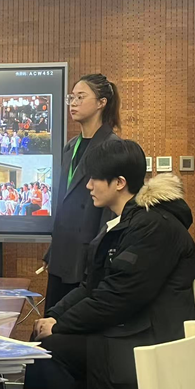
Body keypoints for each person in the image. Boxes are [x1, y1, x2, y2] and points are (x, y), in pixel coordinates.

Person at [24, 140, 195, 389]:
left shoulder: (154, 227)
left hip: (149, 341)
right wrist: (54, 316)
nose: (88, 185)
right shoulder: (124, 223)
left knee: (47, 351)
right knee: (40, 336)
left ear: (119, 182)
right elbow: (91, 286)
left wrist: (60, 326)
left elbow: (119, 297)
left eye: (95, 178)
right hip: (128, 329)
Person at [42, 74, 122, 312]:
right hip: (62, 253)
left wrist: (98, 255)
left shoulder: (112, 146)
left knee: (72, 322)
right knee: (51, 321)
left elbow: (112, 210)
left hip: (89, 255)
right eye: (71, 98)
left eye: (80, 97)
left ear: (101, 103)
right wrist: (53, 249)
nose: (73, 103)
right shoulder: (71, 146)